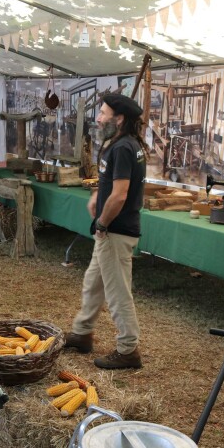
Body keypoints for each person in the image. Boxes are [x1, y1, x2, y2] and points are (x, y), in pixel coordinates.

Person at [64, 94, 148, 369]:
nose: (98, 118)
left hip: (115, 231)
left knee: (117, 293)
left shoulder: (124, 147)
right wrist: (97, 193)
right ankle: (82, 332)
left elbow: (121, 195)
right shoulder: (122, 145)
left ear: (119, 119)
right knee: (93, 283)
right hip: (112, 231)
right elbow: (112, 182)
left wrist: (102, 223)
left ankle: (128, 349)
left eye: (103, 113)